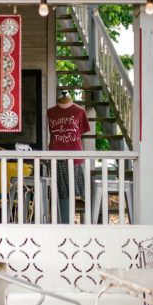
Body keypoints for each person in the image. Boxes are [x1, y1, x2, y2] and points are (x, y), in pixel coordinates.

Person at [47, 90, 90, 223]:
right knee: (60, 192)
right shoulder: (50, 112)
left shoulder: (79, 111)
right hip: (56, 156)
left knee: (73, 192)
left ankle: (69, 222)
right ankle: (62, 222)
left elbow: (81, 132)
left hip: (74, 156)